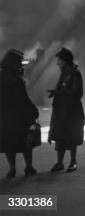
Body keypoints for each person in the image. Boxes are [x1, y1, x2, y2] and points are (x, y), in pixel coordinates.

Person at [0, 49, 39, 178]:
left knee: (9, 142)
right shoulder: (17, 79)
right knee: (25, 141)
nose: (21, 65)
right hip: (20, 115)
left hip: (5, 115)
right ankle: (29, 167)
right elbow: (24, 98)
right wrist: (33, 110)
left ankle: (12, 170)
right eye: (19, 62)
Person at [48, 47, 85, 173]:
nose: (57, 63)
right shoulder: (64, 73)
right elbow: (64, 91)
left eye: (58, 60)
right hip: (61, 110)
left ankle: (73, 161)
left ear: (64, 61)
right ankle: (59, 163)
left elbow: (78, 93)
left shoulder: (75, 74)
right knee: (60, 137)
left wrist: (60, 93)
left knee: (72, 136)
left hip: (72, 111)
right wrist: (56, 92)